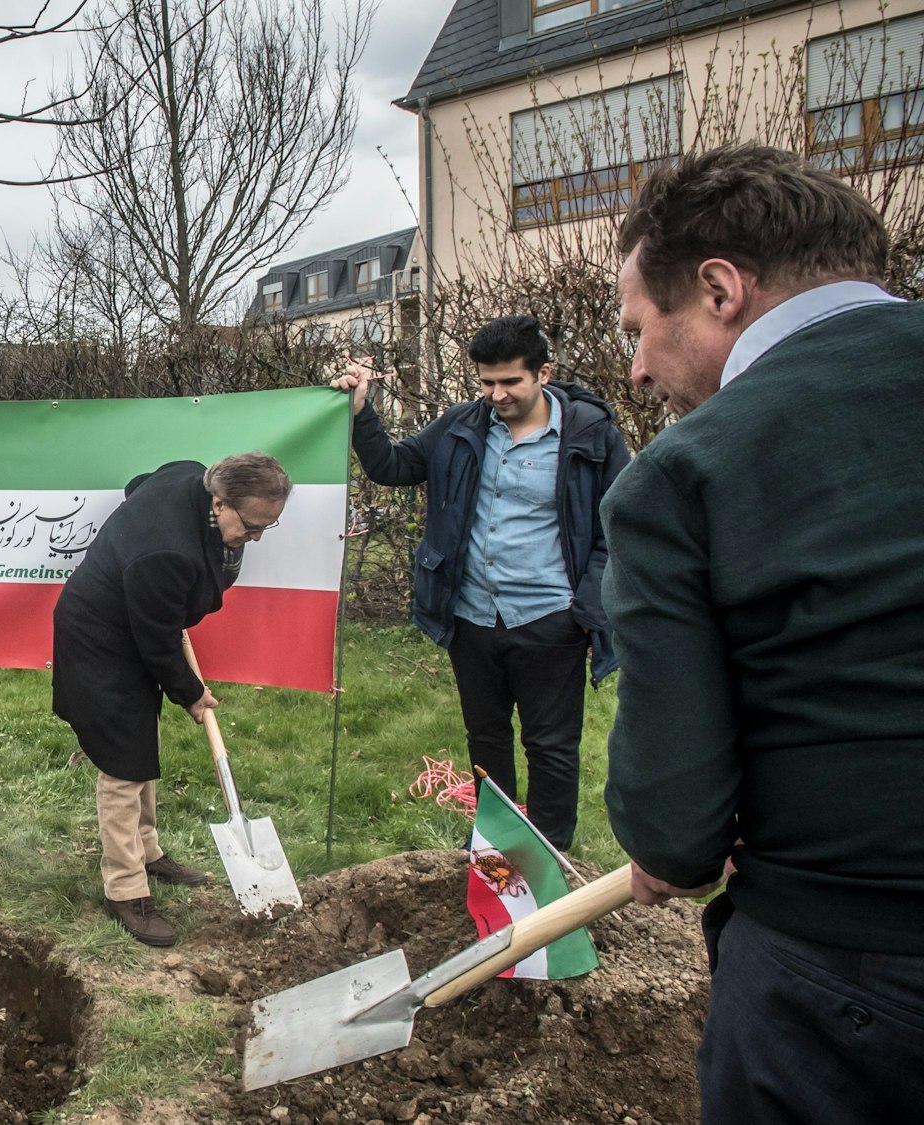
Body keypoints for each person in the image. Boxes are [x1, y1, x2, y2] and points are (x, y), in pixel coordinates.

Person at [601, 144, 924, 1124]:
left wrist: (676, 837)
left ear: (716, 289)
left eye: (640, 330)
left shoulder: (682, 477)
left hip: (844, 979)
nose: (636, 365)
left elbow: (675, 829)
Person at [330, 317, 630, 850]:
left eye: (510, 382)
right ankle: (496, 847)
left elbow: (616, 528)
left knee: (551, 746)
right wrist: (362, 415)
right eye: (487, 382)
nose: (497, 394)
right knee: (487, 740)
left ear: (544, 373)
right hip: (471, 617)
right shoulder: (462, 426)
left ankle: (552, 854)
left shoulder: (592, 435)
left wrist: (585, 605)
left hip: (551, 619)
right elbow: (393, 466)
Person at [52, 453, 291, 948]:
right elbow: (156, 642)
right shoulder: (167, 553)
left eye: (269, 526)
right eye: (252, 527)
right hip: (99, 638)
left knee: (143, 742)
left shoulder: (189, 474)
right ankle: (124, 888)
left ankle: (147, 850)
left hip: (138, 621)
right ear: (219, 502)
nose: (259, 537)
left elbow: (138, 481)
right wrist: (191, 693)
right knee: (122, 763)